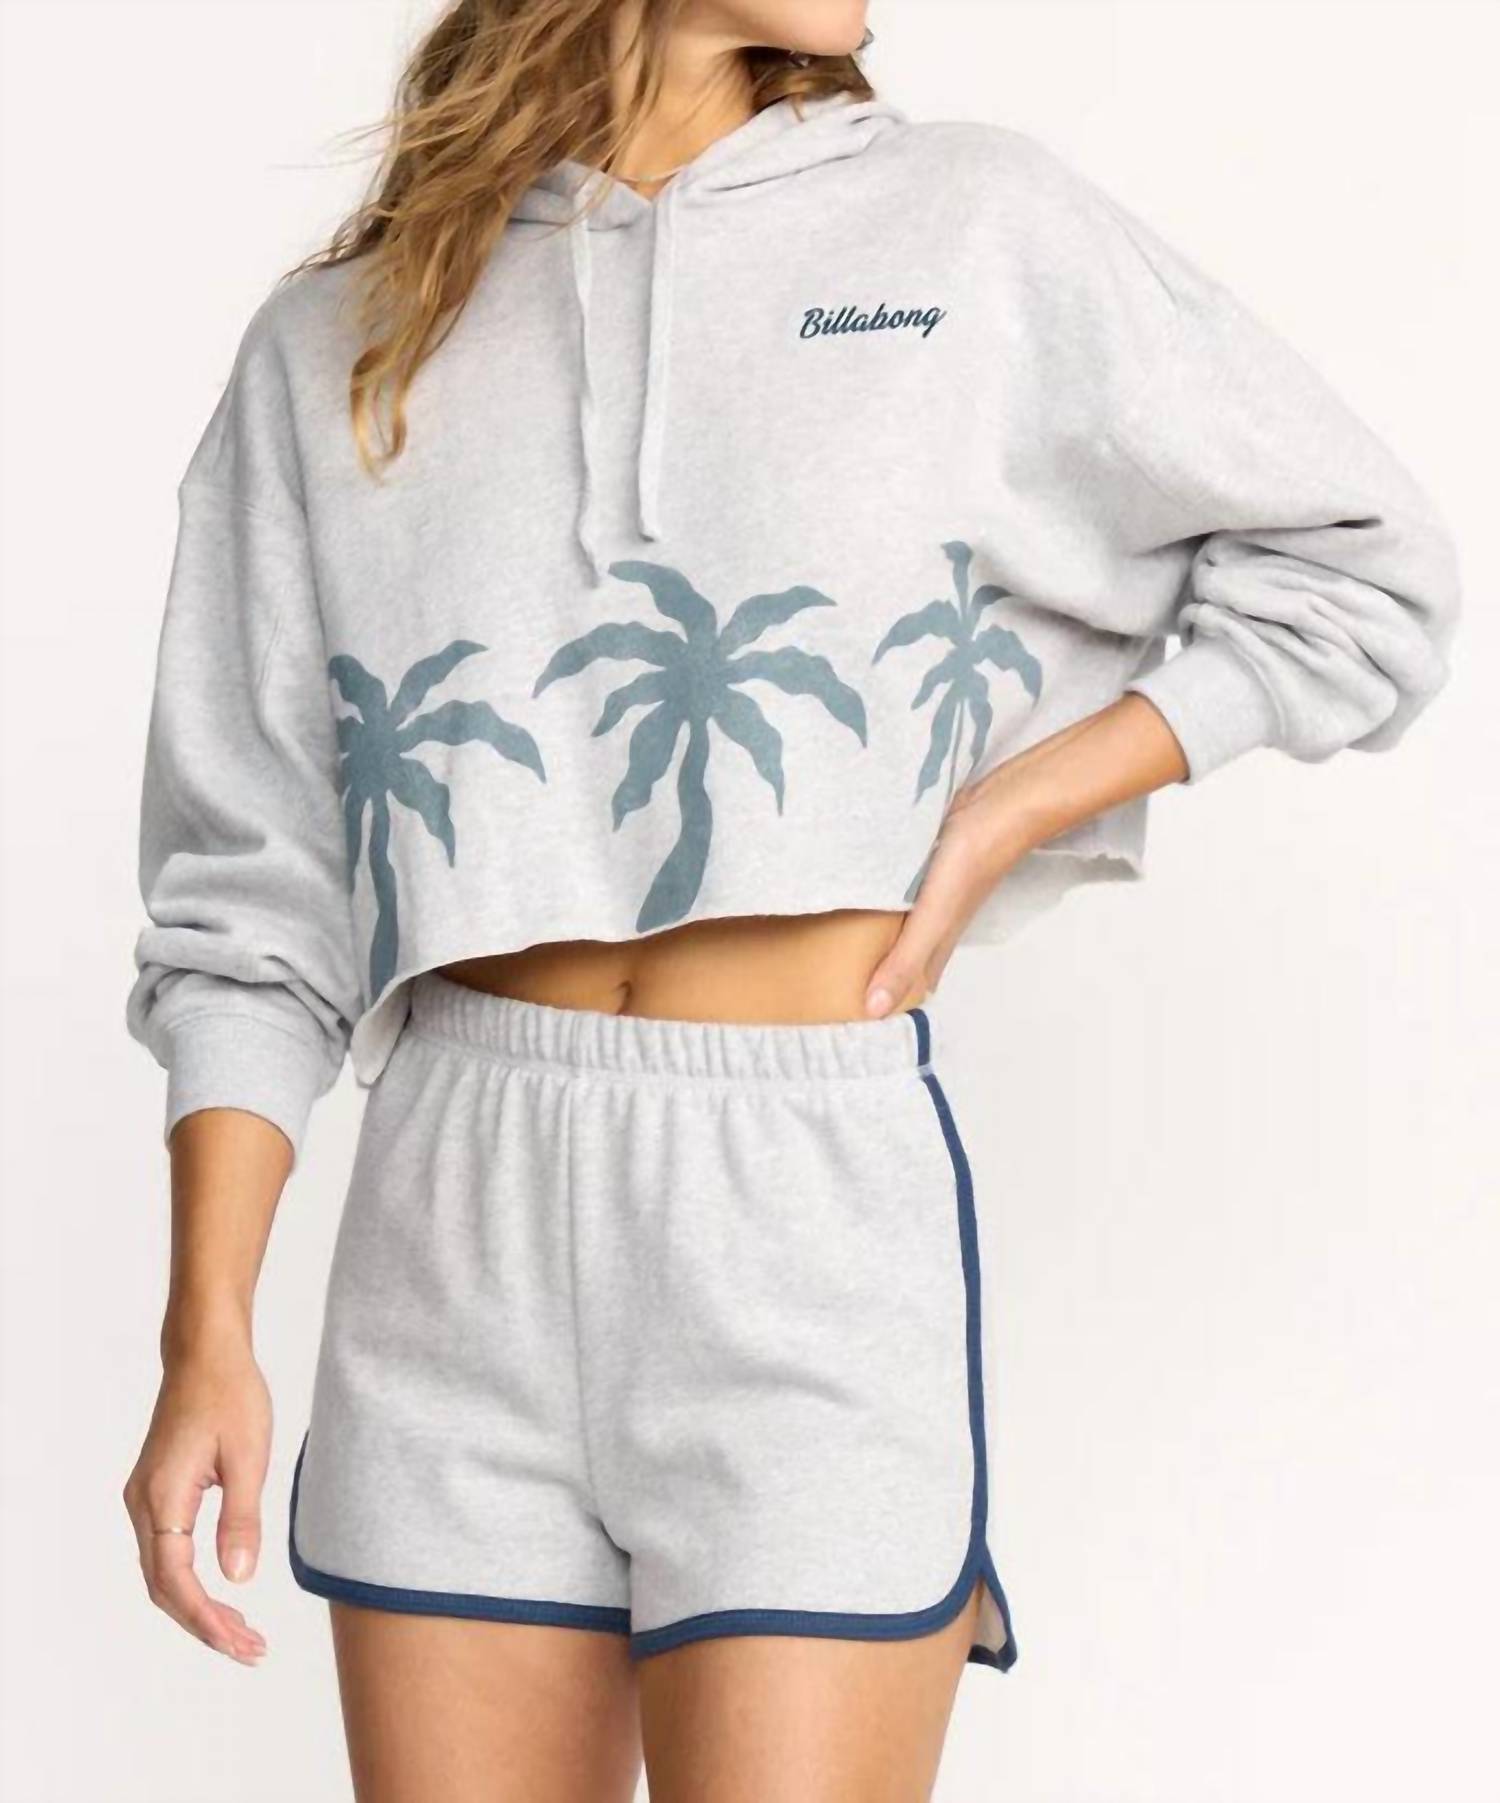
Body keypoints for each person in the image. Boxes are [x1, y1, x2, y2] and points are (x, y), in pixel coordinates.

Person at [119, 1, 1461, 1797]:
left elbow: (1366, 569)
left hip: (803, 1206)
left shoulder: (970, 230)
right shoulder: (345, 332)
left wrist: (1016, 804)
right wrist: (206, 1332)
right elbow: (249, 889)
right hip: (447, 1228)